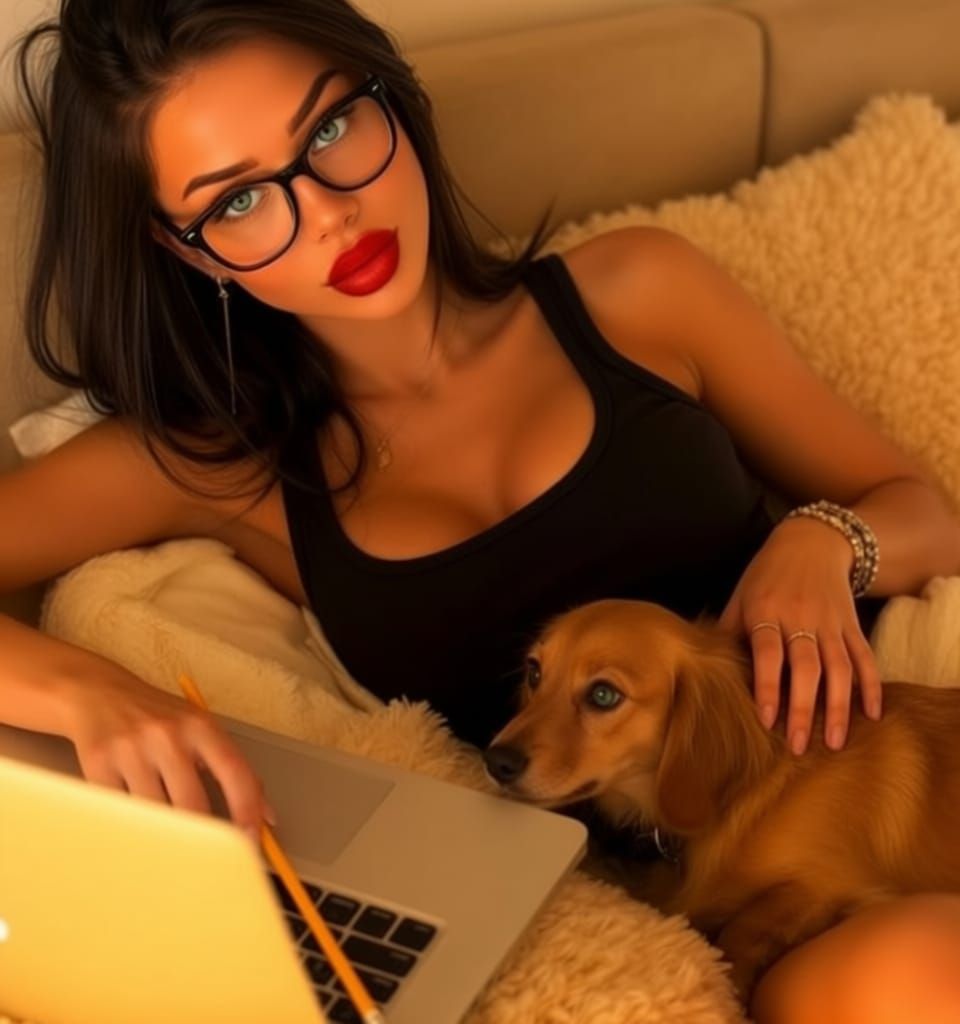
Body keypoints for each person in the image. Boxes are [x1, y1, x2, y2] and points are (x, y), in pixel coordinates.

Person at [4, 1, 960, 1020]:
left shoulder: (639, 294)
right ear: (188, 248)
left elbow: (927, 512)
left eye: (331, 130)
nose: (329, 212)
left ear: (395, 102)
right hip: (759, 917)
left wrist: (826, 540)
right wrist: (88, 691)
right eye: (238, 200)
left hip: (881, 766)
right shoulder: (214, 462)